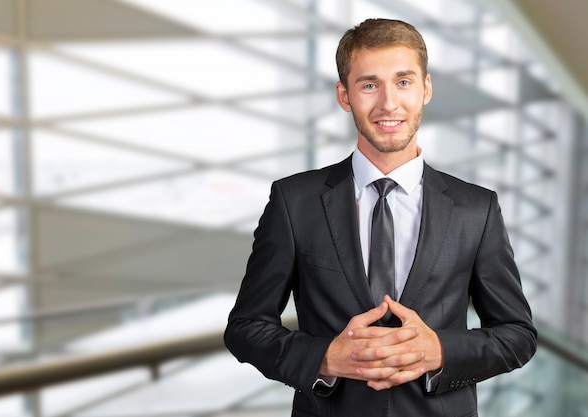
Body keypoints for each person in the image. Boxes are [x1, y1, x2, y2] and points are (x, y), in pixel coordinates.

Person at [224, 18, 537, 417]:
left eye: (403, 82)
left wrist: (437, 351)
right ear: (344, 95)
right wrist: (325, 358)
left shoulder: (477, 208)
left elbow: (517, 335)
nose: (389, 103)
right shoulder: (293, 201)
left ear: (425, 88)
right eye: (369, 84)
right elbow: (246, 328)